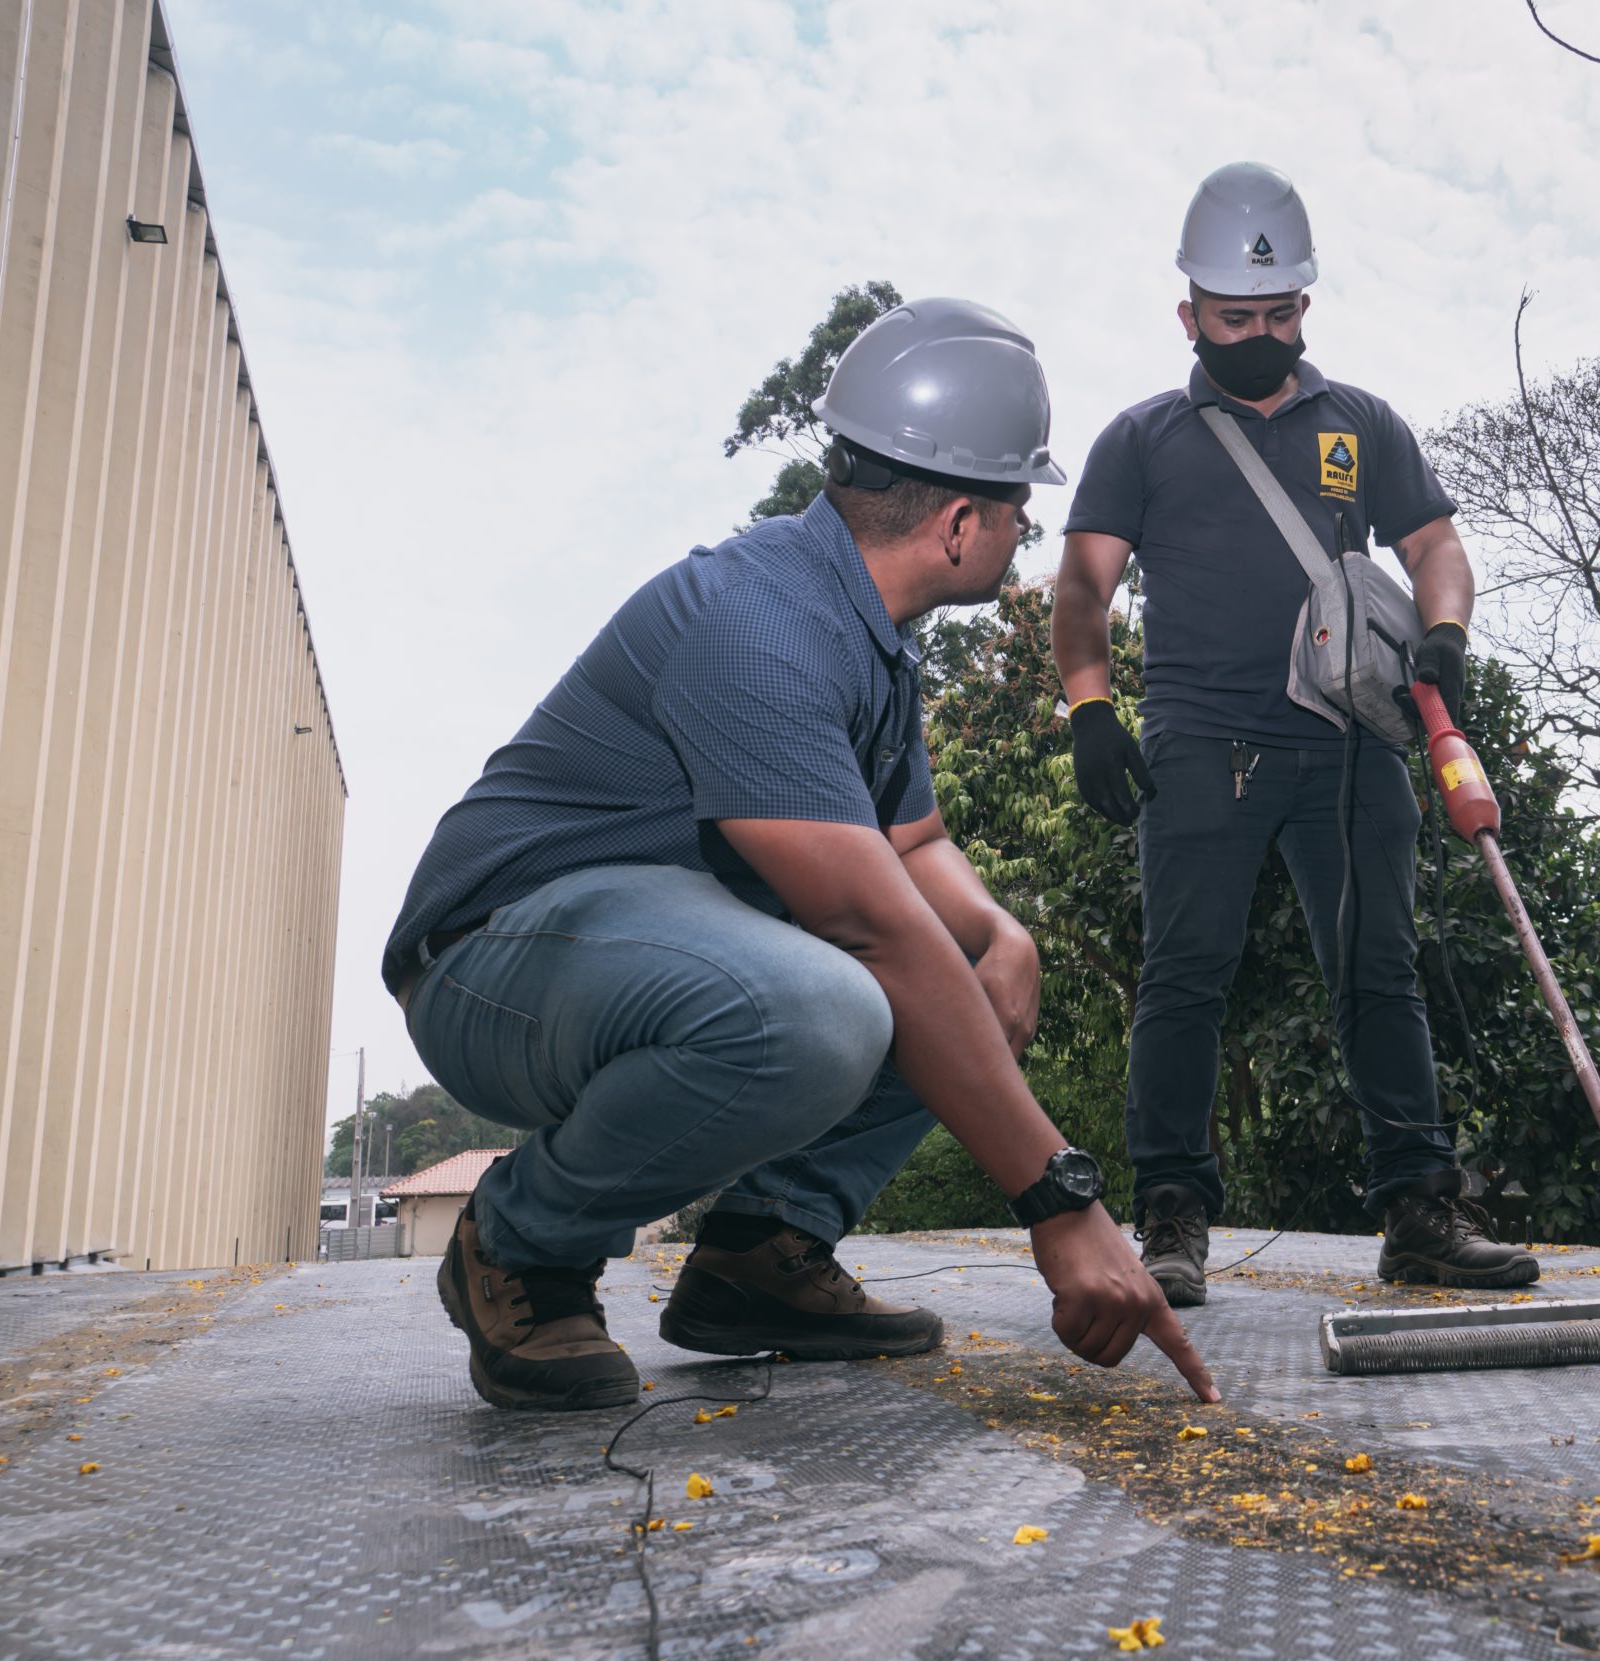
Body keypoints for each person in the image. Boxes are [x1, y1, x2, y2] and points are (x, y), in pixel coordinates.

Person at [385, 297, 1217, 1412]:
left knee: (956, 973)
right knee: (831, 1001)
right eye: (1023, 508)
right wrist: (1064, 1209)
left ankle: (761, 1253)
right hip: (492, 965)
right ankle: (519, 1242)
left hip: (638, 947)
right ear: (961, 522)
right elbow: (871, 925)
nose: (1024, 536)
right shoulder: (759, 618)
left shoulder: (868, 642)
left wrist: (998, 931)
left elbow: (911, 842)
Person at [1052, 164, 1541, 1308]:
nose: (1260, 334)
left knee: (1379, 973)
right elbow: (1084, 588)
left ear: (1304, 309)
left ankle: (1419, 1211)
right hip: (1200, 744)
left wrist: (1446, 630)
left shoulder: (1360, 424)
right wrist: (1088, 707)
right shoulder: (1142, 439)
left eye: (1278, 315)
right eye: (1236, 318)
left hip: (1353, 746)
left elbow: (1434, 548)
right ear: (1190, 317)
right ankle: (1170, 1219)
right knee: (1184, 979)